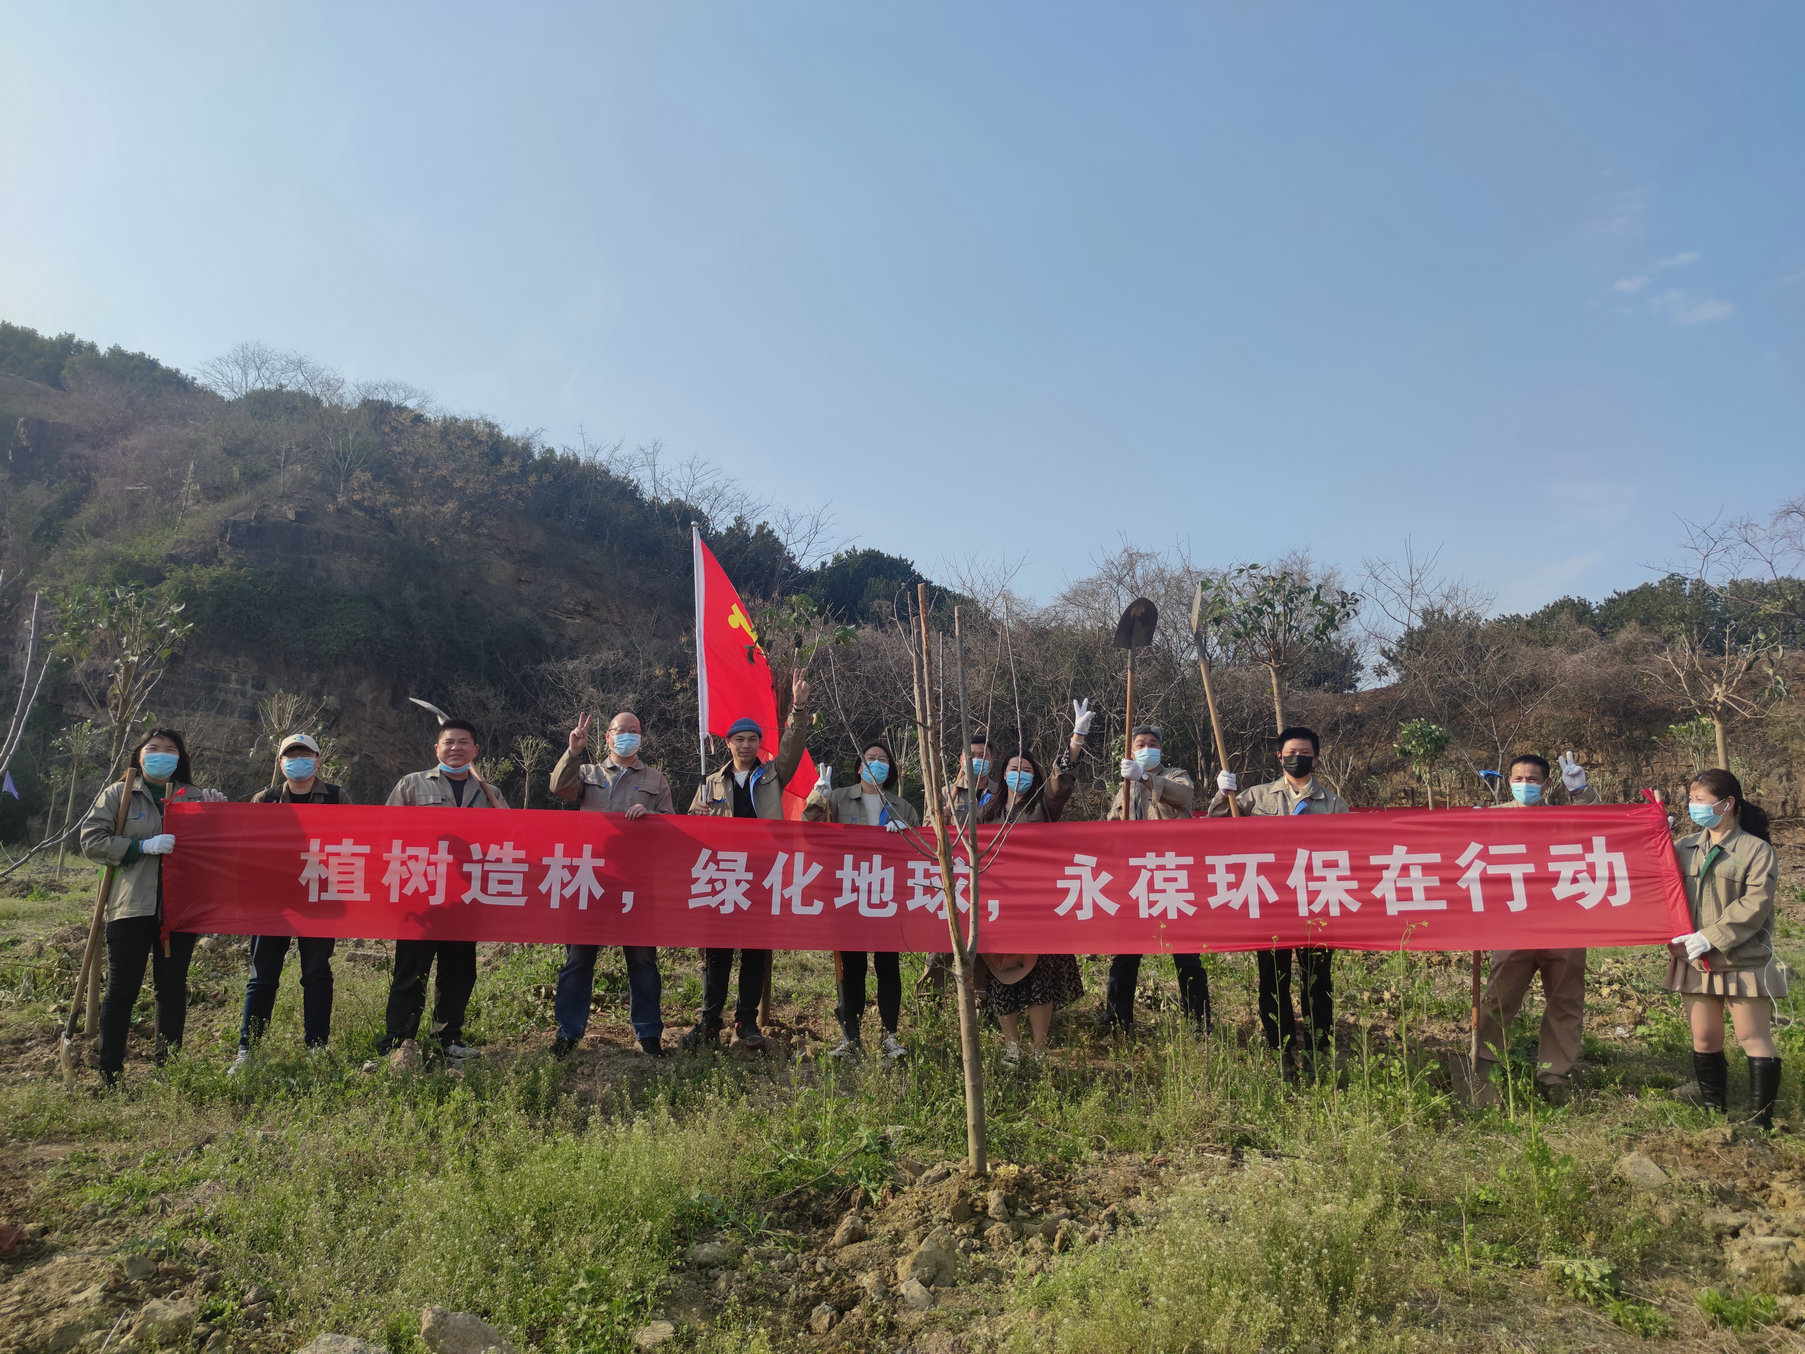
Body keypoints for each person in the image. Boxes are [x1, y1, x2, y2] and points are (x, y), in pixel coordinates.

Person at [78, 728, 223, 1087]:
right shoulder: (119, 793)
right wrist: (140, 847)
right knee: (121, 990)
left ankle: (168, 1070)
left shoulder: (195, 796)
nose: (161, 754)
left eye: (170, 749)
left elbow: (217, 848)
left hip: (181, 908)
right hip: (131, 905)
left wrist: (219, 813)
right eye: (153, 748)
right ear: (140, 754)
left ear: (180, 757)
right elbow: (92, 840)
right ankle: (110, 1073)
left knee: (171, 989)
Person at [682, 671, 811, 1051]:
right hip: (721, 873)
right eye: (739, 739)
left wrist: (798, 708)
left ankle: (746, 1020)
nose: (745, 745)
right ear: (728, 744)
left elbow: (792, 748)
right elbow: (691, 826)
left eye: (752, 739)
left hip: (761, 872)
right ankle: (709, 1021)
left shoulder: (771, 776)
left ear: (759, 744)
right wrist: (696, 816)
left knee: (755, 949)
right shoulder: (710, 783)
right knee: (717, 952)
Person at [1211, 725, 1348, 1070]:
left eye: (1304, 754)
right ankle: (1281, 1049)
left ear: (1316, 759)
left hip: (1316, 901)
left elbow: (1349, 849)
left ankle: (1317, 1051)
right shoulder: (1256, 798)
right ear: (1279, 757)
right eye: (1291, 753)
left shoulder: (1333, 804)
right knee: (1273, 979)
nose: (1297, 758)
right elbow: (1216, 824)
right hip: (1269, 900)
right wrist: (1222, 794)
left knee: (1318, 982)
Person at [1470, 752, 1598, 1106]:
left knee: (1565, 999)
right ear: (1508, 781)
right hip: (1513, 921)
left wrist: (1582, 792)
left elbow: (1600, 824)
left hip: (1564, 920)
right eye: (1518, 779)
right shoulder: (1492, 818)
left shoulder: (1563, 817)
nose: (1524, 785)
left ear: (1547, 783)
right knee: (1499, 995)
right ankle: (1484, 1069)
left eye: (1532, 780)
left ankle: (1554, 1076)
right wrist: (1464, 824)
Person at [377, 718, 508, 1062]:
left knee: (459, 971)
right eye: (449, 742)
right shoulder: (412, 785)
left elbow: (511, 837)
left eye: (463, 742)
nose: (455, 748)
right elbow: (387, 833)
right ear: (437, 749)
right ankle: (398, 1041)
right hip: (421, 892)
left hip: (466, 898)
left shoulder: (489, 793)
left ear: (475, 750)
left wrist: (500, 811)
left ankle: (447, 1039)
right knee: (410, 971)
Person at [547, 711, 675, 1058]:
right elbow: (559, 788)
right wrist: (573, 751)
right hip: (589, 878)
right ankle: (568, 1032)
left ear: (641, 736)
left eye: (634, 731)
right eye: (621, 730)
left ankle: (648, 1033)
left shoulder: (655, 779)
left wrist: (650, 817)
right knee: (578, 959)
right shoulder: (588, 773)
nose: (628, 736)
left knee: (643, 959)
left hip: (636, 881)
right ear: (608, 737)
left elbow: (671, 824)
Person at [1668, 768, 1782, 1129]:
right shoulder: (1683, 847)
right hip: (1695, 959)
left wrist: (1712, 936)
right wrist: (1653, 838)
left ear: (1727, 803)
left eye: (1700, 800)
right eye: (1691, 799)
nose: (1693, 806)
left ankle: (1760, 1121)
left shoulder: (1756, 850)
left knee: (1752, 1036)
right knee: (1704, 1036)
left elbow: (1755, 904)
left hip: (1740, 958)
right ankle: (1713, 1109)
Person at [229, 734, 349, 1075]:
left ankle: (317, 1046)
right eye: (291, 755)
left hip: (319, 897)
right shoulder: (265, 799)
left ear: (318, 760)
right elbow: (246, 847)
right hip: (273, 900)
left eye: (305, 754)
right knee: (262, 975)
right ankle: (248, 1050)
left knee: (317, 972)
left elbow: (352, 840)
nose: (298, 760)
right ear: (280, 763)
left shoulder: (336, 796)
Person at [805, 740, 919, 1061]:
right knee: (852, 967)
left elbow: (920, 850)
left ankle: (890, 1035)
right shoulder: (838, 798)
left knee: (888, 966)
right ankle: (850, 1038)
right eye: (870, 758)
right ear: (859, 766)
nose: (876, 763)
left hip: (887, 896)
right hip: (849, 895)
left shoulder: (902, 806)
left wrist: (907, 833)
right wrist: (818, 796)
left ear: (890, 769)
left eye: (883, 759)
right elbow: (810, 828)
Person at [1096, 723, 1208, 1036]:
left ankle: (1198, 1024)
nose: (1146, 748)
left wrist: (1145, 778)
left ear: (1161, 748)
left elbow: (1184, 796)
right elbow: (1110, 828)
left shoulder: (1175, 775)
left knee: (1187, 955)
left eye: (1152, 743)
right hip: (1134, 880)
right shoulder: (1123, 788)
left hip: (1172, 877)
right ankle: (1118, 1023)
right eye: (1140, 744)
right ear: (1131, 752)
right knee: (1125, 955)